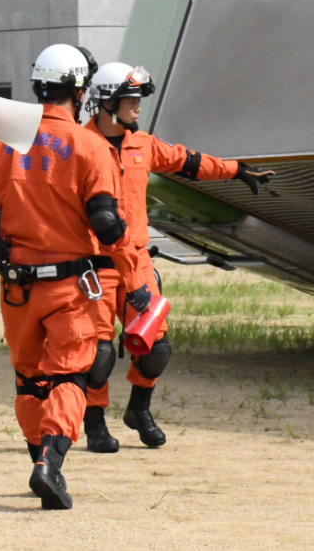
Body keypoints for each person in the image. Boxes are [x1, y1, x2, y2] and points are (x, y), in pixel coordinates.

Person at [0, 44, 146, 510]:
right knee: (73, 374)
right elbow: (107, 224)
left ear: (37, 87)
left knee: (28, 381)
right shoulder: (91, 146)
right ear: (80, 92)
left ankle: (38, 453)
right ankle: (49, 466)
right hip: (73, 288)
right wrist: (135, 281)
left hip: (16, 289)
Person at [79, 61, 272, 452]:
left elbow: (189, 162)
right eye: (131, 99)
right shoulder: (78, 145)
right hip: (94, 265)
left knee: (157, 347)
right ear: (107, 101)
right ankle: (94, 422)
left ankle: (138, 409)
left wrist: (237, 170)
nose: (137, 106)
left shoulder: (142, 144)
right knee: (99, 354)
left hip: (137, 262)